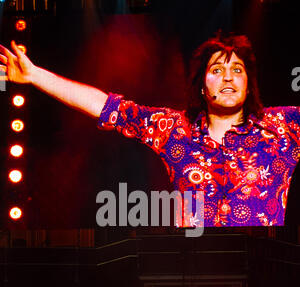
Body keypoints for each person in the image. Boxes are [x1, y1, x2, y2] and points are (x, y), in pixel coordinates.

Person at [0, 32, 299, 227]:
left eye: (237, 70)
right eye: (217, 71)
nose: (229, 78)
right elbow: (107, 107)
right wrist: (36, 76)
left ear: (248, 86)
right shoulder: (173, 129)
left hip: (263, 271)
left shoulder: (283, 128)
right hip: (191, 272)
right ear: (203, 88)